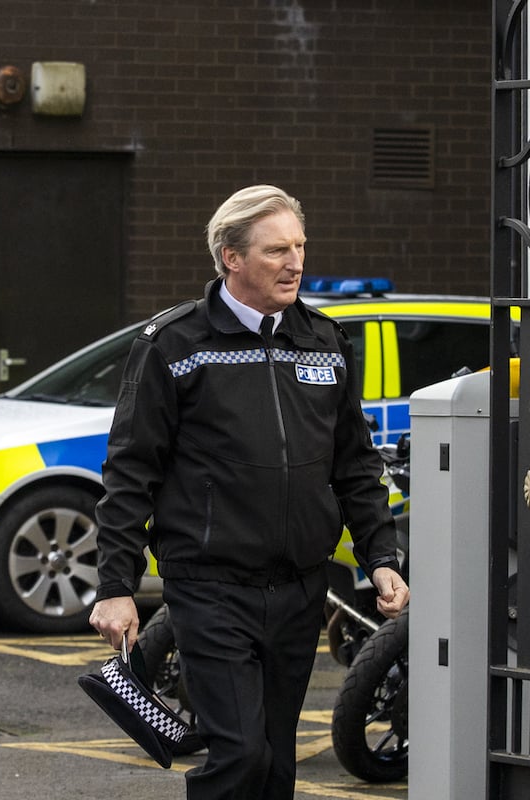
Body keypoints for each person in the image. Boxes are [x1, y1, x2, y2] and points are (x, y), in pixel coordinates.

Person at [89, 184, 409, 800]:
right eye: (276, 251)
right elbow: (130, 472)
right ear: (231, 257)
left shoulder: (324, 342)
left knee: (275, 765)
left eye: (299, 247)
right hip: (209, 589)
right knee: (238, 755)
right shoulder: (173, 346)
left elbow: (354, 464)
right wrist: (116, 587)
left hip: (299, 587)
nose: (295, 263)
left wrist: (381, 558)